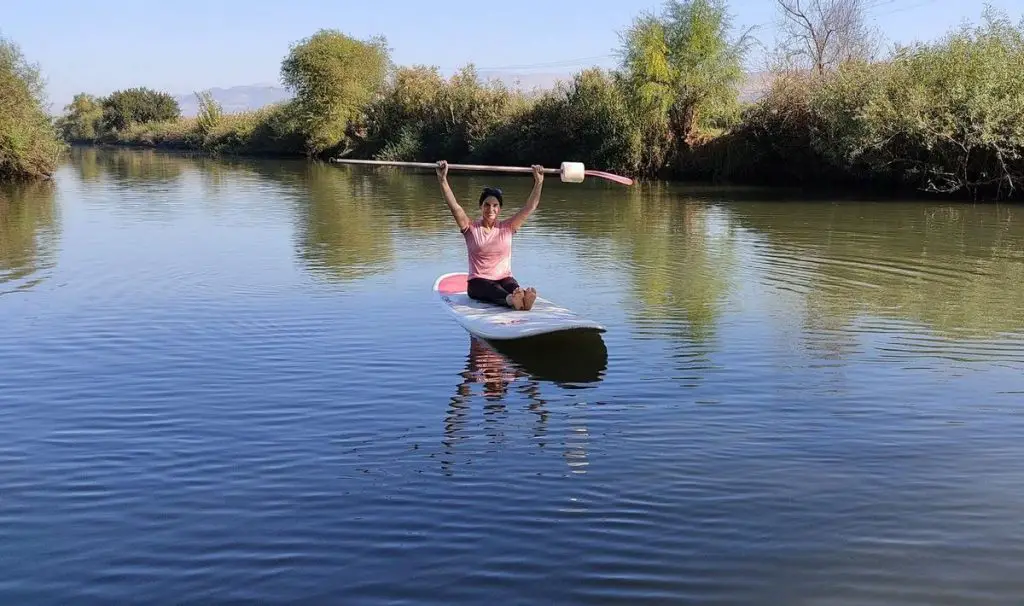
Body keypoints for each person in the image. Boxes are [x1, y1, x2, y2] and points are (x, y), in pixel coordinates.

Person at [436, 159, 543, 311]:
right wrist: (442, 179)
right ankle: (513, 300)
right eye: (487, 205)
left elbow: (530, 207)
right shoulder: (470, 228)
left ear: (499, 209)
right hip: (478, 283)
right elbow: (455, 207)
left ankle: (522, 297)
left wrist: (539, 182)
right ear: (481, 206)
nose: (490, 209)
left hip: (504, 279)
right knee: (491, 289)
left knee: (512, 286)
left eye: (495, 205)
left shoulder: (508, 227)